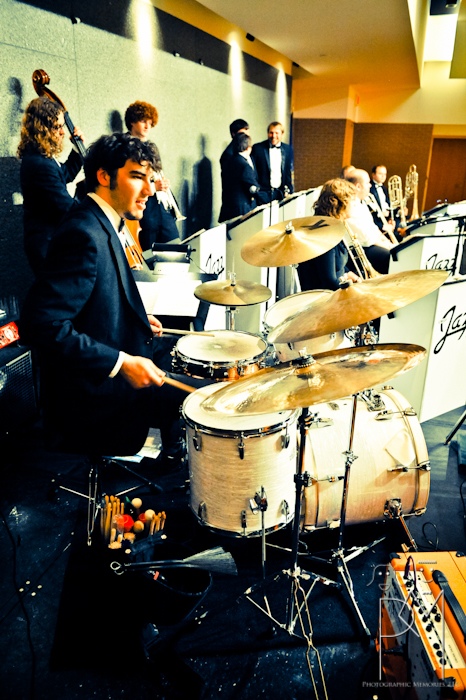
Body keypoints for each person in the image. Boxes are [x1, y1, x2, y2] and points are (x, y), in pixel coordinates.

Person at [20, 133, 206, 466]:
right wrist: (120, 363)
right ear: (105, 176)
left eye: (150, 178)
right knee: (207, 397)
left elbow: (90, 301)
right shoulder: (83, 232)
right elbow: (42, 325)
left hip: (113, 365)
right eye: (137, 177)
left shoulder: (101, 222)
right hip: (93, 396)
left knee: (203, 373)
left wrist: (135, 319)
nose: (149, 190)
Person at [17, 96, 85, 275]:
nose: (63, 132)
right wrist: (99, 207)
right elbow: (67, 207)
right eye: (57, 127)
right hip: (47, 247)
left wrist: (77, 148)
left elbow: (65, 175)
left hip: (50, 242)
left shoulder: (41, 158)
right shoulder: (40, 164)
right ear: (42, 129)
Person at [124, 100, 180, 249]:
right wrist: (154, 186)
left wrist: (163, 184)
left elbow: (157, 172)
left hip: (162, 205)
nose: (147, 126)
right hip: (144, 209)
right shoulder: (124, 146)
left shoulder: (151, 147)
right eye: (143, 121)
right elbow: (128, 179)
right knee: (150, 253)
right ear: (132, 122)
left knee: (175, 248)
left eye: (150, 122)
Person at [298, 178, 362, 291]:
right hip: (325, 296)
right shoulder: (325, 233)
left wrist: (348, 274)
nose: (355, 205)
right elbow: (329, 281)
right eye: (352, 201)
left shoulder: (333, 226)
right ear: (340, 203)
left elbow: (337, 266)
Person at [345, 168, 394, 274]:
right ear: (358, 186)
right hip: (360, 250)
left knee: (396, 254)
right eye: (367, 183)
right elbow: (367, 239)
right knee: (392, 259)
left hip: (370, 244)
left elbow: (373, 229)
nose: (370, 185)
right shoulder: (350, 207)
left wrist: (390, 244)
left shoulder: (361, 203)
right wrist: (391, 248)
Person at [218, 132, 262, 222]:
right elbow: (253, 189)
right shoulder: (245, 166)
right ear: (249, 148)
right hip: (242, 210)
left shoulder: (228, 161)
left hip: (228, 208)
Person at [251, 121, 294, 203]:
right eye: (271, 133)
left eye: (277, 133)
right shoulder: (258, 148)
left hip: (280, 194)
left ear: (282, 134)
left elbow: (287, 173)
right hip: (263, 194)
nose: (273, 136)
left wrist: (289, 191)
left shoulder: (287, 149)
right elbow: (253, 171)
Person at [219, 118, 250, 222]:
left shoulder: (247, 149)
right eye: (242, 134)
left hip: (248, 204)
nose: (244, 137)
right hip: (236, 208)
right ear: (233, 134)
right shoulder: (228, 155)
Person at [368, 164, 398, 240]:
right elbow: (370, 209)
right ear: (373, 175)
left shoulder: (385, 189)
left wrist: (391, 218)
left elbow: (389, 204)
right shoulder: (369, 188)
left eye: (384, 174)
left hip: (387, 219)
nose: (383, 176)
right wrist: (381, 213)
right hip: (377, 220)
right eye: (380, 174)